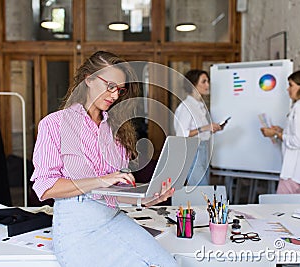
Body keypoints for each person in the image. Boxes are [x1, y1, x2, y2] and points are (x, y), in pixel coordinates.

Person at [30, 51, 178, 267]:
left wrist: (146, 199)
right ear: (88, 80)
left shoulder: (116, 130)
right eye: (110, 86)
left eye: (119, 90)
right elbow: (45, 187)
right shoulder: (54, 125)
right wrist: (101, 180)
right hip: (78, 230)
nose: (115, 95)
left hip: (114, 218)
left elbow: (111, 194)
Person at [173, 69, 223, 186]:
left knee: (203, 187)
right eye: (204, 81)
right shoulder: (186, 106)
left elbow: (201, 131)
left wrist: (212, 129)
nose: (208, 85)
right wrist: (205, 128)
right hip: (193, 149)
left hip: (203, 147)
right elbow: (181, 134)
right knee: (201, 188)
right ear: (193, 84)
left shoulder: (199, 106)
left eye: (208, 81)